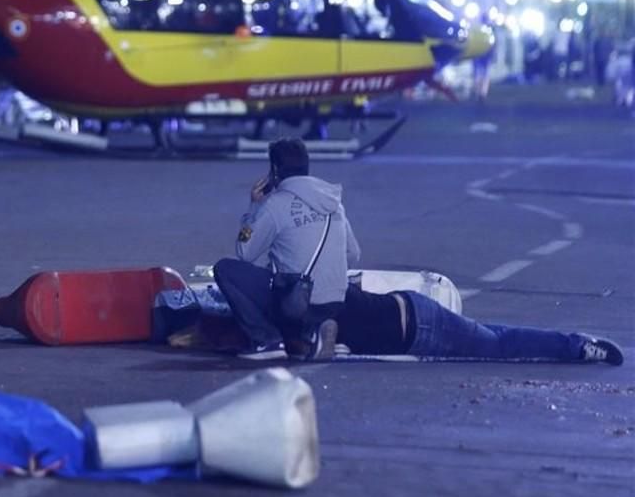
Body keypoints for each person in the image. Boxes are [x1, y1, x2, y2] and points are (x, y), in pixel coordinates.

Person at [213, 138, 360, 361]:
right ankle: (312, 334)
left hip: (297, 304)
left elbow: (245, 252)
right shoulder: (334, 204)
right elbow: (353, 255)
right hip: (335, 304)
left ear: (274, 170)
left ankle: (266, 339)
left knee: (226, 270)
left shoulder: (275, 204)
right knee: (289, 283)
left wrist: (253, 208)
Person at [335, 284, 623, 365]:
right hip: (413, 316)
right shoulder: (316, 282)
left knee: (499, 345)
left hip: (420, 328)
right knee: (494, 337)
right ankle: (573, 344)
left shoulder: (307, 305)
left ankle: (577, 346)